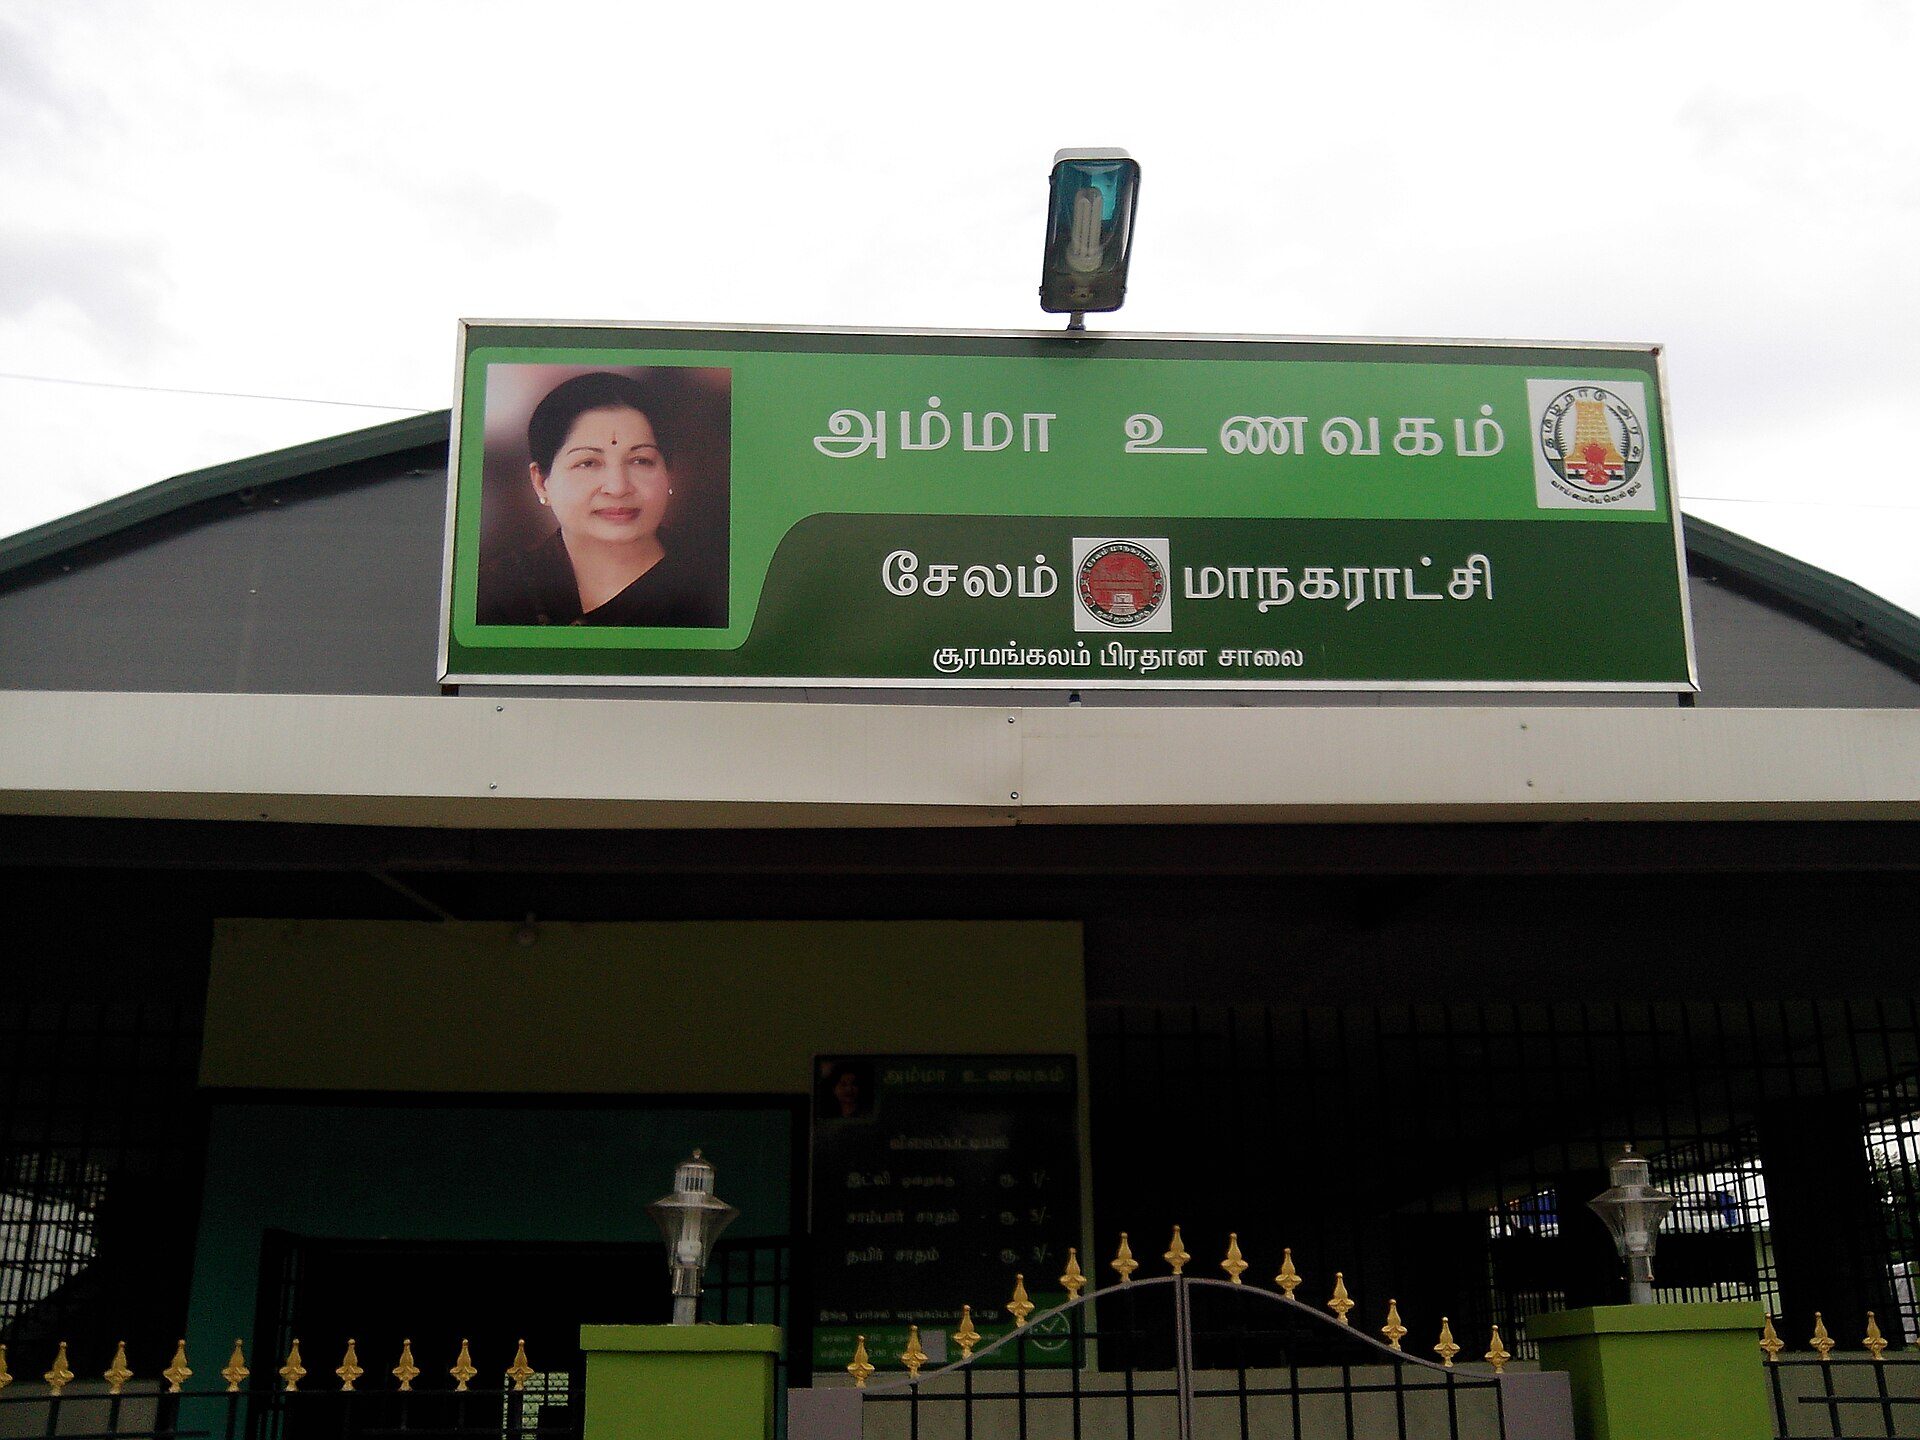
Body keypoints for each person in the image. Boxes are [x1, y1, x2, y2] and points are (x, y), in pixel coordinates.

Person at [478, 371, 725, 627]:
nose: (618, 488)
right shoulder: (497, 594)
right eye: (588, 463)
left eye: (640, 461)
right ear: (541, 482)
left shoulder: (716, 590)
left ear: (669, 474)